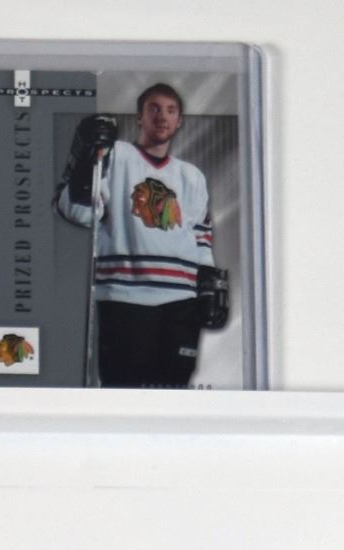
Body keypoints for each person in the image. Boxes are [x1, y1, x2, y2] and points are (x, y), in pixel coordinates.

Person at [55, 82, 225, 388]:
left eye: (170, 110)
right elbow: (78, 213)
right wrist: (85, 160)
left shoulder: (191, 176)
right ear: (140, 117)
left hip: (181, 303)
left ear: (179, 120)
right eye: (154, 109)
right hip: (125, 299)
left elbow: (200, 234)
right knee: (125, 392)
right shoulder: (114, 155)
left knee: (175, 392)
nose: (162, 116)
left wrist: (207, 283)